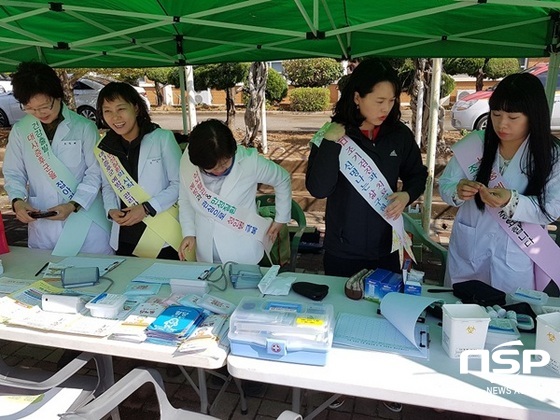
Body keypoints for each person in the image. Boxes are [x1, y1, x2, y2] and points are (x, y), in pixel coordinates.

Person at [306, 58, 428, 278]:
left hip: (387, 248)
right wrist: (329, 144)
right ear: (357, 97)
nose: (386, 108)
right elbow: (318, 189)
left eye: (391, 101)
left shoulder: (399, 135)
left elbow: (418, 174)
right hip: (342, 250)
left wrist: (406, 195)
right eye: (379, 101)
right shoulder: (331, 134)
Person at [439, 72, 560, 293]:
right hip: (469, 250)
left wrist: (512, 201)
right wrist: (457, 190)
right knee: (460, 314)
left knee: (509, 318)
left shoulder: (552, 156)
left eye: (513, 118)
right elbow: (445, 184)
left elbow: (551, 208)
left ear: (533, 116)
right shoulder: (474, 143)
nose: (502, 124)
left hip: (515, 255)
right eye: (495, 114)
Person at [4, 61, 112, 255]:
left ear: (58, 96)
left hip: (85, 222)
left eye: (44, 106)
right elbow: (14, 172)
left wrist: (72, 205)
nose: (39, 113)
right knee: (46, 279)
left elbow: (96, 172)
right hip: (43, 224)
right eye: (29, 108)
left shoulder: (84, 127)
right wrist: (18, 201)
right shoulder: (22, 130)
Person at [178, 119, 292, 265]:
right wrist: (189, 233)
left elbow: (282, 179)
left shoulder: (251, 162)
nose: (219, 171)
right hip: (205, 251)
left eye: (225, 164)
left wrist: (281, 219)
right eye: (212, 169)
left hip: (243, 251)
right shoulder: (187, 162)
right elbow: (185, 199)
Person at [95, 82, 183, 260]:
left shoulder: (162, 138)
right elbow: (108, 186)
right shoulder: (105, 146)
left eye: (121, 109)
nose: (115, 117)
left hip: (161, 235)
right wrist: (111, 210)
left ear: (135, 108)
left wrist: (146, 208)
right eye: (108, 111)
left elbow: (179, 184)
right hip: (124, 238)